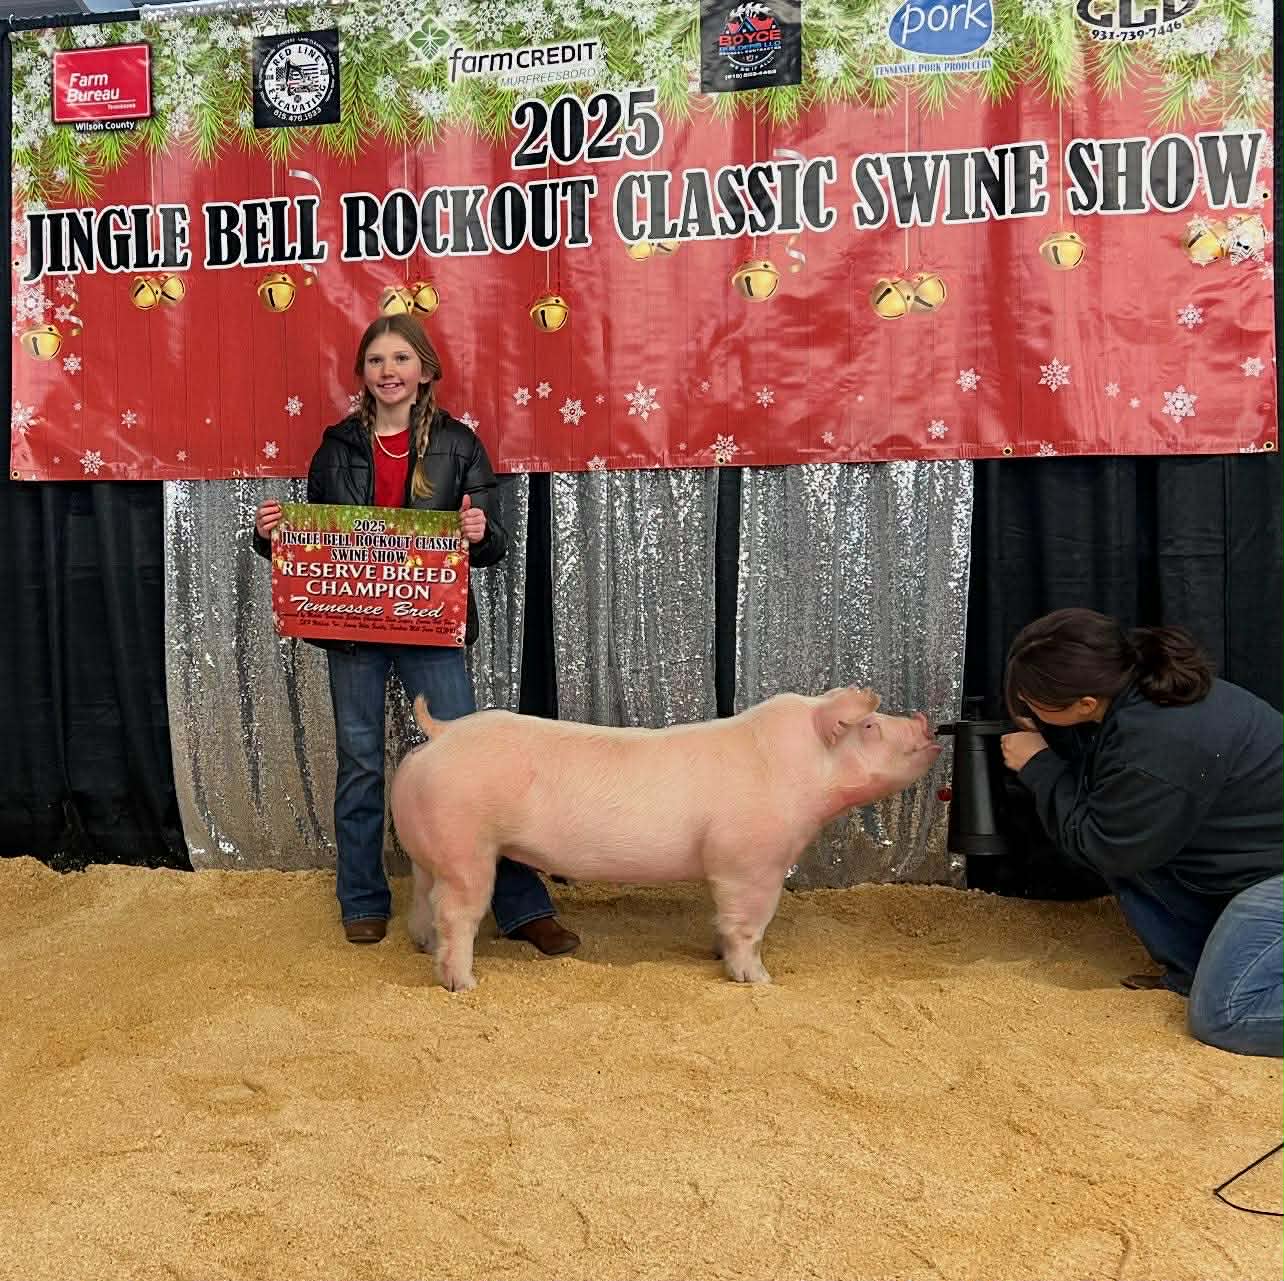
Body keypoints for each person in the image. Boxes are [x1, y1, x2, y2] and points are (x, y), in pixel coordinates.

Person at [253, 314, 579, 956]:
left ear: (425, 370)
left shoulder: (460, 445)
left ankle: (519, 908)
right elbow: (315, 542)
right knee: (361, 763)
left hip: (431, 624)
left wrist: (481, 535)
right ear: (363, 374)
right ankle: (364, 901)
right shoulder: (335, 447)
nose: (388, 371)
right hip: (351, 629)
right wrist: (269, 536)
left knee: (470, 768)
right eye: (376, 361)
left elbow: (494, 543)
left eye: (401, 359)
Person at [999, 608, 1283, 1058]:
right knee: (1123, 834)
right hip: (1252, 858)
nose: (1023, 706)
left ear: (1086, 704)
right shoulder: (1143, 692)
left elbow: (1105, 846)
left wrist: (1039, 765)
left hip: (1275, 877)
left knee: (1224, 1016)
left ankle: (1209, 984)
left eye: (1032, 700)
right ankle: (1193, 973)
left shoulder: (1157, 745)